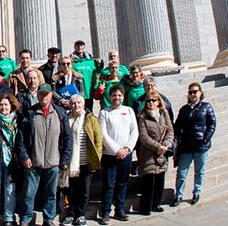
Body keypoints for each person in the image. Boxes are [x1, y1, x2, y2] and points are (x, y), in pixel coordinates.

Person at [15, 83, 72, 226]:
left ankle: (49, 219)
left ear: (51, 95)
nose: (43, 97)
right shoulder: (30, 113)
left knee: (51, 194)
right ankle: (26, 218)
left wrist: (65, 159)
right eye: (41, 94)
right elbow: (20, 138)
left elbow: (67, 138)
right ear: (37, 95)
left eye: (46, 94)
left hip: (54, 161)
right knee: (28, 193)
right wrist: (24, 157)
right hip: (33, 161)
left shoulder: (60, 113)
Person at [98, 85, 138, 224]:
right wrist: (117, 150)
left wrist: (127, 148)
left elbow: (134, 131)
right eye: (114, 95)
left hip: (126, 154)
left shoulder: (129, 111)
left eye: (119, 95)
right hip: (110, 155)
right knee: (109, 185)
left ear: (123, 96)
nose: (117, 98)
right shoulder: (104, 113)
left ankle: (120, 210)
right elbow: (103, 135)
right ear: (110, 97)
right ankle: (105, 212)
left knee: (122, 183)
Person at [172, 82, 216, 207]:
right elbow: (177, 126)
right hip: (186, 146)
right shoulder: (184, 109)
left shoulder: (206, 107)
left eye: (195, 91)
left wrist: (206, 138)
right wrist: (179, 139)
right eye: (190, 92)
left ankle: (196, 192)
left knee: (199, 171)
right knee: (181, 172)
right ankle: (178, 195)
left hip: (201, 146)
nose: (192, 94)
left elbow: (212, 123)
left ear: (200, 93)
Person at [62, 94, 102, 226]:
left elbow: (98, 140)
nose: (76, 105)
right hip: (71, 162)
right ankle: (71, 213)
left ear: (83, 104)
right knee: (71, 190)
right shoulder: (66, 119)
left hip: (86, 161)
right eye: (73, 103)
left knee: (84, 190)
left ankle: (81, 214)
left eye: (79, 103)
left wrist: (97, 159)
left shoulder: (90, 119)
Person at [136, 91, 174, 216]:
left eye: (154, 100)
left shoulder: (164, 113)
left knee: (159, 181)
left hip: (162, 154)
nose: (151, 103)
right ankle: (146, 207)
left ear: (158, 102)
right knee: (149, 182)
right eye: (148, 101)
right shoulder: (142, 116)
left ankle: (156, 204)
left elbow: (170, 130)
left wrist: (166, 144)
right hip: (148, 154)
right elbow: (143, 137)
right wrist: (158, 147)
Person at [0, 93, 22, 226]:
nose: (3, 107)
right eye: (1, 105)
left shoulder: (17, 120)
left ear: (11, 106)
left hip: (12, 158)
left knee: (10, 189)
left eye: (6, 105)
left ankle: (9, 217)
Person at [70, 41, 100, 111]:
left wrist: (99, 62)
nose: (79, 47)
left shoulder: (91, 60)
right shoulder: (70, 61)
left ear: (84, 47)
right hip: (76, 91)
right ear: (74, 47)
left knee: (89, 111)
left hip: (88, 91)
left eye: (81, 45)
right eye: (77, 45)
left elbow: (99, 71)